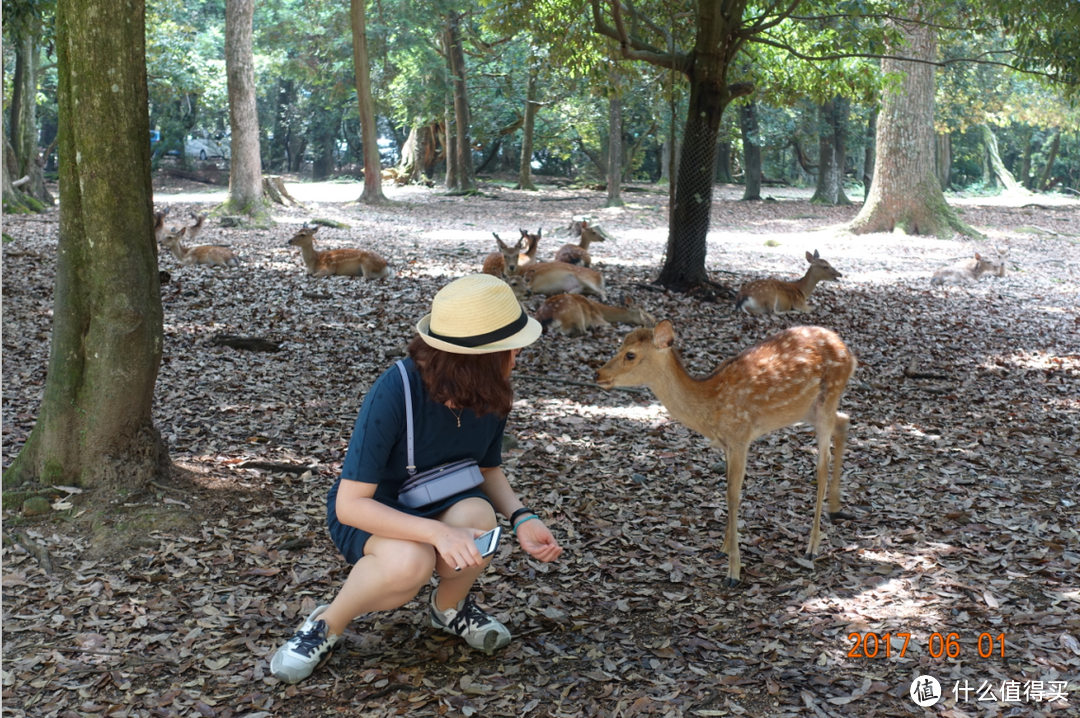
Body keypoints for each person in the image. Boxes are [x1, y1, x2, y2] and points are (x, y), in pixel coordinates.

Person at [270, 274, 563, 684]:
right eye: (509, 347)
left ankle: (449, 609)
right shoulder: (397, 388)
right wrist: (435, 535)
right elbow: (350, 504)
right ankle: (326, 624)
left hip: (442, 497)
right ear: (475, 358)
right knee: (410, 562)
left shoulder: (492, 388)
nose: (517, 355)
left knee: (479, 517)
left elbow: (486, 469)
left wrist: (521, 517)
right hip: (373, 510)